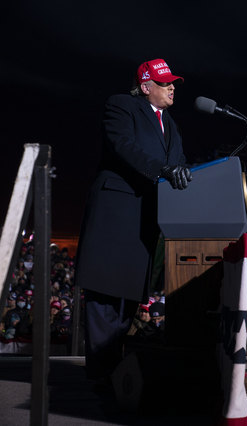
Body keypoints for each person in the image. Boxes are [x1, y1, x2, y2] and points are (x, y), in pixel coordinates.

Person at [74, 59, 190, 383]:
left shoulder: (173, 126)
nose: (171, 88)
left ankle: (111, 372)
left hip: (144, 222)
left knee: (125, 304)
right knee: (104, 299)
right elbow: (123, 146)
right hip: (116, 214)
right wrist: (162, 170)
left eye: (172, 83)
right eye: (165, 82)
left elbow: (178, 164)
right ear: (145, 87)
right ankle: (100, 377)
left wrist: (186, 175)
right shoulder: (122, 105)